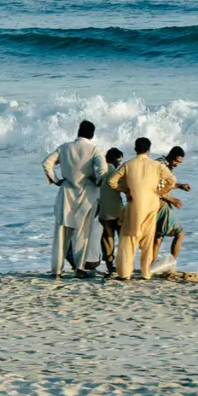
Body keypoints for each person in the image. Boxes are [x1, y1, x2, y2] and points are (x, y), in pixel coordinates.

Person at [42, 120, 107, 278]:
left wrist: (56, 180)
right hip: (87, 193)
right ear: (92, 134)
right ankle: (79, 268)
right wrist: (97, 181)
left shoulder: (64, 147)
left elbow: (46, 163)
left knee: (61, 233)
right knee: (82, 232)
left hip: (66, 192)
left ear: (78, 131)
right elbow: (103, 168)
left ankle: (57, 270)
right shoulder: (94, 149)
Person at [108, 137, 175, 281]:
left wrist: (126, 190)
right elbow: (172, 180)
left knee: (129, 240)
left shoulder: (128, 165)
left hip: (134, 206)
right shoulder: (157, 165)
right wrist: (160, 193)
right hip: (152, 204)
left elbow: (111, 181)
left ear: (135, 149)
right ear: (148, 150)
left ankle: (125, 273)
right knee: (148, 241)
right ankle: (146, 272)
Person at [151, 146, 191, 266]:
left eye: (179, 162)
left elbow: (162, 184)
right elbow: (154, 188)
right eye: (176, 161)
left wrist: (180, 186)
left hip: (155, 203)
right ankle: (171, 263)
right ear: (171, 156)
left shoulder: (161, 163)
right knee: (180, 233)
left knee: (158, 237)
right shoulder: (161, 166)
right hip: (160, 203)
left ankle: (151, 265)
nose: (177, 164)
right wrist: (172, 200)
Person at [97, 147, 125, 275]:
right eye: (118, 161)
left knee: (107, 240)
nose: (119, 163)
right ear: (113, 159)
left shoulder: (99, 171)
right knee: (122, 239)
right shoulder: (115, 172)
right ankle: (122, 264)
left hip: (103, 210)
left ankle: (109, 265)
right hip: (117, 210)